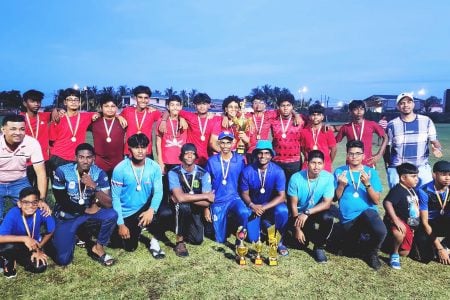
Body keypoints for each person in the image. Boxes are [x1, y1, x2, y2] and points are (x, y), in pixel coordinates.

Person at [52, 143, 117, 266]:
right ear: (75, 157)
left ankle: (98, 247)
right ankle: (71, 234)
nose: (85, 161)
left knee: (111, 214)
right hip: (68, 215)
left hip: (87, 214)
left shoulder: (99, 173)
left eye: (88, 157)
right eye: (81, 157)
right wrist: (85, 210)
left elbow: (108, 203)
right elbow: (61, 200)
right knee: (63, 260)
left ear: (94, 158)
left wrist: (94, 186)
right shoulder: (62, 171)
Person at [110, 134, 165, 258]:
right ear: (129, 149)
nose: (140, 151)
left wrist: (151, 210)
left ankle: (153, 237)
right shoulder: (120, 168)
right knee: (130, 247)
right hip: (127, 212)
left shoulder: (154, 167)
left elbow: (158, 192)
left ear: (148, 148)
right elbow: (115, 198)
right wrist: (121, 224)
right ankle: (136, 228)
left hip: (145, 206)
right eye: (136, 147)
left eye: (143, 147)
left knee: (165, 212)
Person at [334, 140, 386, 270]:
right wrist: (341, 185)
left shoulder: (370, 172)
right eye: (351, 154)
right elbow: (335, 198)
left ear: (363, 155)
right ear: (347, 155)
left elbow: (376, 201)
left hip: (367, 214)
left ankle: (373, 253)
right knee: (350, 251)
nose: (354, 157)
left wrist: (367, 184)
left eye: (358, 154)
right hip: (348, 218)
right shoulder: (340, 171)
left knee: (381, 231)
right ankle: (353, 241)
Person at [240, 140, 289, 255]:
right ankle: (266, 226)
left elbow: (282, 197)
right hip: (254, 206)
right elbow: (244, 193)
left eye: (267, 153)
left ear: (271, 155)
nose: (263, 156)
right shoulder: (247, 171)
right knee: (252, 238)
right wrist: (252, 205)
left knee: (283, 210)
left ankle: (279, 241)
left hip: (271, 205)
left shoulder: (278, 171)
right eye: (260, 153)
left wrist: (264, 207)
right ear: (256, 154)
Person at [384, 92, 442, 188]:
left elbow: (435, 141)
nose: (406, 105)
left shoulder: (426, 121)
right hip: (398, 169)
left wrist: (438, 149)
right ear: (398, 106)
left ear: (413, 104)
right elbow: (387, 147)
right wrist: (389, 167)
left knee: (425, 199)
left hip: (421, 168)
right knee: (399, 201)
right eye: (402, 103)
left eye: (409, 102)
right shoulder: (392, 124)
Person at [0, 114, 50, 222]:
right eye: (13, 129)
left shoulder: (31, 143)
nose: (18, 133)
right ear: (3, 130)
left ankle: (29, 235)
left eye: (22, 129)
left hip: (20, 182)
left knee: (34, 211)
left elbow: (41, 173)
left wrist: (40, 199)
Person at [288, 150, 335, 263]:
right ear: (307, 163)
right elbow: (293, 205)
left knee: (328, 217)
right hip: (298, 214)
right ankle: (301, 232)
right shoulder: (296, 178)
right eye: (313, 163)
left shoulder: (328, 178)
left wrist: (307, 213)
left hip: (312, 212)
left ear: (323, 164)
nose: (316, 166)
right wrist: (297, 229)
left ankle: (319, 247)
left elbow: (327, 203)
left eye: (319, 163)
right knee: (301, 244)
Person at [168, 143, 214, 257]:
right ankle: (179, 241)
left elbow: (207, 202)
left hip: (195, 208)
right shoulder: (173, 172)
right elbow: (179, 198)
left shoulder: (203, 173)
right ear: (182, 156)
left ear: (196, 156)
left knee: (197, 240)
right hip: (178, 207)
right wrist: (204, 196)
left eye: (192, 153)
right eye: (187, 153)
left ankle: (184, 227)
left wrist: (183, 197)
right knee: (182, 206)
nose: (189, 156)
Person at [0, 187, 54, 278]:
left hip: (31, 246)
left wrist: (39, 248)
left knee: (40, 266)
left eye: (34, 202)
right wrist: (25, 238)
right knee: (8, 247)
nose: (30, 206)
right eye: (25, 202)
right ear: (19, 204)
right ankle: (8, 260)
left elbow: (51, 230)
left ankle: (17, 258)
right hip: (12, 243)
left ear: (39, 203)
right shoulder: (13, 213)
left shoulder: (42, 211)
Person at [206, 131, 250, 243]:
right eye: (223, 143)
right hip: (218, 201)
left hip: (234, 198)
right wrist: (206, 208)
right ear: (219, 144)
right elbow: (206, 186)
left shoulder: (239, 160)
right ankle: (227, 224)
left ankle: (240, 238)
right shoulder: (211, 161)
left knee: (244, 212)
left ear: (233, 144)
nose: (225, 146)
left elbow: (244, 182)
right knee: (220, 240)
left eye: (228, 143)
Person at [48, 88, 98, 178]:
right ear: (65, 102)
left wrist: (98, 115)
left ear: (79, 103)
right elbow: (51, 140)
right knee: (59, 189)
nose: (73, 102)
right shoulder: (58, 117)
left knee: (76, 188)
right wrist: (56, 110)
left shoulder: (86, 116)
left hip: (77, 159)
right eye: (70, 100)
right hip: (59, 158)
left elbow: (101, 113)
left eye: (76, 100)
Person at [383, 163, 420, 269]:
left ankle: (389, 246)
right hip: (399, 222)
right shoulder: (398, 190)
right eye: (413, 176)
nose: (416, 179)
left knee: (405, 253)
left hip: (410, 223)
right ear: (403, 177)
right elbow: (387, 202)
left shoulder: (411, 189)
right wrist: (395, 220)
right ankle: (394, 254)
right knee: (399, 232)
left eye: (417, 176)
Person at [171, 92, 220, 167]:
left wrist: (225, 117)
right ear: (195, 106)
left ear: (209, 105)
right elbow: (172, 110)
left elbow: (232, 116)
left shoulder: (215, 119)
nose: (202, 106)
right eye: (199, 104)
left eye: (204, 104)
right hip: (191, 159)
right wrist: (181, 118)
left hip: (208, 159)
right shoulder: (190, 116)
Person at [416, 160, 450, 265]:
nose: (448, 177)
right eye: (443, 174)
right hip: (428, 224)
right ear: (434, 175)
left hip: (445, 221)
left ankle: (446, 246)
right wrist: (439, 249)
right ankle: (435, 247)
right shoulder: (424, 191)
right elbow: (425, 222)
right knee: (426, 258)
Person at [335, 100, 387, 168]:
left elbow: (385, 137)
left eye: (361, 109)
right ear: (350, 111)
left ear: (364, 110)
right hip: (351, 164)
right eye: (356, 109)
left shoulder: (372, 124)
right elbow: (334, 141)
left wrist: (379, 154)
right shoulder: (346, 127)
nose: (359, 112)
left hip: (368, 163)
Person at [120, 85, 161, 158]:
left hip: (146, 151)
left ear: (149, 99)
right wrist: (118, 116)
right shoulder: (127, 111)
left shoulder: (153, 112)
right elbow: (109, 114)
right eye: (140, 97)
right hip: (129, 151)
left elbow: (170, 113)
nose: (143, 100)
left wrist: (182, 118)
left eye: (146, 98)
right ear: (135, 98)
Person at [90, 95, 126, 180]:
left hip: (118, 162)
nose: (110, 109)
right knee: (100, 189)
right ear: (101, 108)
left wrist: (118, 116)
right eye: (106, 106)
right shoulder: (94, 121)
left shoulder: (122, 121)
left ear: (117, 108)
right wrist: (58, 110)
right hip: (100, 162)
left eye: (113, 106)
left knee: (116, 189)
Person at [271, 93, 304, 184]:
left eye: (288, 105)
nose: (285, 108)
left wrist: (329, 127)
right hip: (277, 161)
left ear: (292, 106)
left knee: (293, 188)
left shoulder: (301, 120)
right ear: (278, 107)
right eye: (283, 105)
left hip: (294, 161)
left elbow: (315, 121)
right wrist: (226, 116)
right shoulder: (273, 120)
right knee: (277, 188)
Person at [300, 104, 337, 172]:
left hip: (324, 165)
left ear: (322, 117)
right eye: (313, 115)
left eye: (318, 115)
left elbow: (334, 149)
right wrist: (307, 158)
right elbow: (302, 148)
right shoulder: (304, 131)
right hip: (308, 164)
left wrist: (328, 162)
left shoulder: (327, 131)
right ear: (309, 116)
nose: (316, 117)